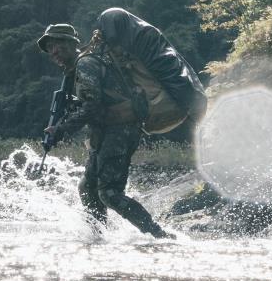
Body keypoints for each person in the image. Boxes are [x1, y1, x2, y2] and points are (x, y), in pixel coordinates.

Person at [37, 23, 174, 239]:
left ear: (72, 44)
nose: (54, 51)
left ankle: (160, 236)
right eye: (50, 47)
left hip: (120, 130)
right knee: (88, 188)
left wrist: (61, 130)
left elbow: (93, 106)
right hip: (105, 131)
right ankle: (99, 237)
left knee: (109, 193)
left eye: (58, 45)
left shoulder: (86, 64)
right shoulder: (78, 69)